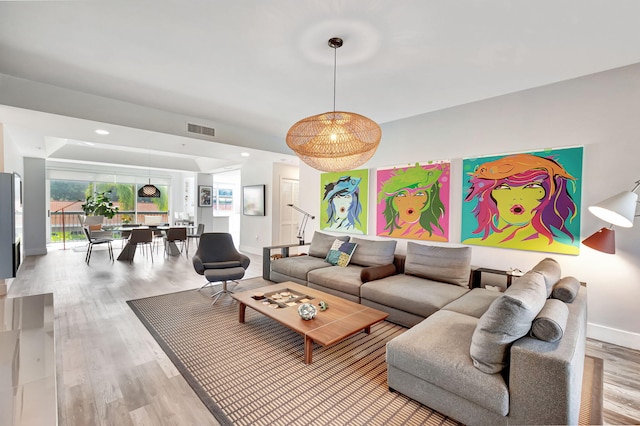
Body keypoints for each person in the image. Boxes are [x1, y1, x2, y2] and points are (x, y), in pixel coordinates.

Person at [463, 153, 578, 254]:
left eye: (532, 186)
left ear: (549, 194)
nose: (517, 197)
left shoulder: (567, 250)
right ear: (489, 195)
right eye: (503, 187)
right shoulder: (469, 243)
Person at [378, 163, 446, 240]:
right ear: (392, 200)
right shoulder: (383, 235)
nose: (410, 201)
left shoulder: (439, 239)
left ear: (429, 198)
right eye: (401, 195)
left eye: (419, 194)